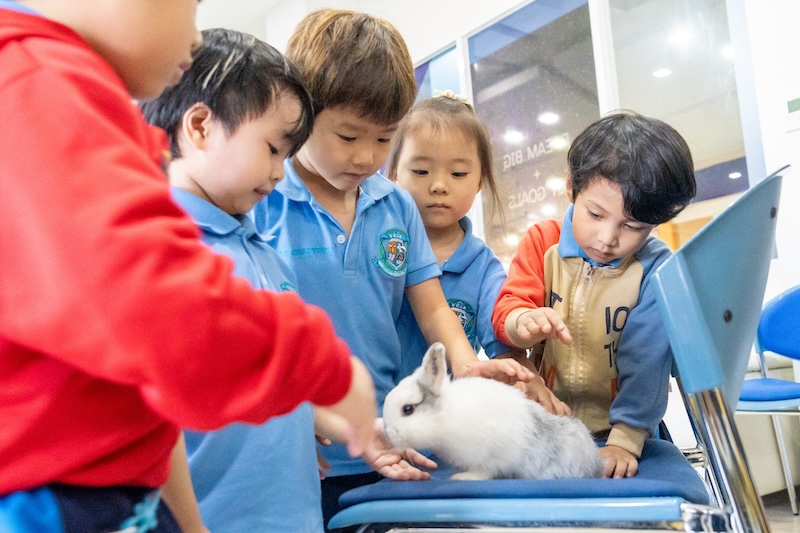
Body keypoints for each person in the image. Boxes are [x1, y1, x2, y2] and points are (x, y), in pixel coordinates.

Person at [0, 3, 377, 532]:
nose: (194, 36)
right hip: (60, 494)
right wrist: (320, 364)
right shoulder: (38, 82)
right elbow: (153, 305)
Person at [250, 9, 534, 530]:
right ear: (301, 112)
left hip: (389, 438)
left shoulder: (396, 205)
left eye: (383, 139)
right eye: (348, 136)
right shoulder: (262, 200)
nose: (366, 157)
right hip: (298, 445)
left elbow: (433, 308)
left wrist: (467, 365)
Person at [141, 28, 433, 533]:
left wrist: (352, 430)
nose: (280, 172)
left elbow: (267, 387)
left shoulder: (260, 251)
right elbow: (151, 421)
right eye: (273, 149)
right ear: (201, 127)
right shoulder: (162, 248)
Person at [492, 110, 697, 479]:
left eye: (632, 227)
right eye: (596, 215)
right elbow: (510, 307)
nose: (608, 239)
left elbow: (648, 361)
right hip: (548, 427)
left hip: (624, 433)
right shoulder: (542, 242)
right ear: (572, 188)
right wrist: (523, 322)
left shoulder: (654, 268)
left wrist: (626, 440)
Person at [384, 93, 568, 413]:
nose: (439, 185)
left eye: (457, 174)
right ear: (394, 174)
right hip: (372, 412)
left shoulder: (483, 268)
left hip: (447, 422)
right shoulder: (380, 244)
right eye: (421, 171)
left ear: (480, 181)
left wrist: (529, 378)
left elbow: (504, 348)